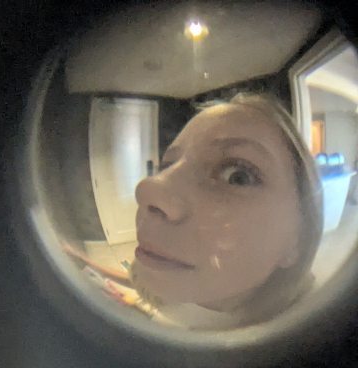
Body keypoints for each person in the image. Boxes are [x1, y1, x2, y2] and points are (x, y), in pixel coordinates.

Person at [66, 92, 323, 331]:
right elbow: (139, 276)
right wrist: (86, 264)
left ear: (297, 241)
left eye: (237, 175)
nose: (147, 188)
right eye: (167, 166)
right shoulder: (176, 280)